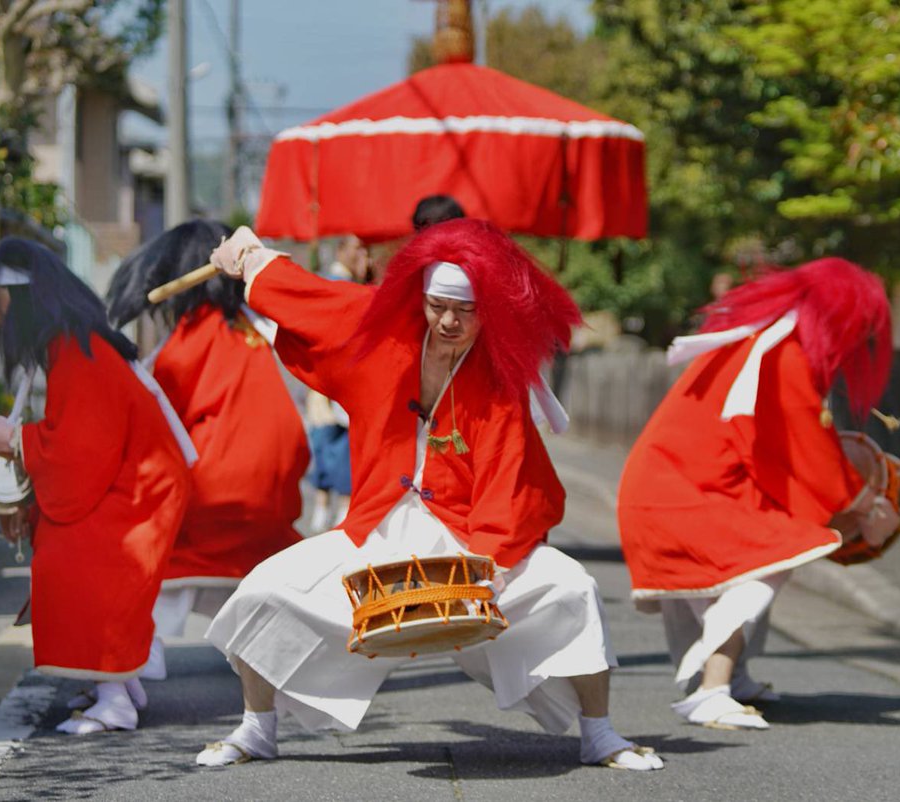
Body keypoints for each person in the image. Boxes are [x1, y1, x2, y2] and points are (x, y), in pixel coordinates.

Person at [194, 218, 665, 772]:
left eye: (464, 311)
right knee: (265, 590)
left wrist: (486, 571)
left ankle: (600, 734)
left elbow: (507, 475)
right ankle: (257, 728)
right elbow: (317, 302)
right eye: (437, 305)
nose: (447, 321)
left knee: (572, 588)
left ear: (488, 310)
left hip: (468, 534)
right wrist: (251, 257)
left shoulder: (498, 378)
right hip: (379, 527)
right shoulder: (381, 338)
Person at [617, 258, 899, 730]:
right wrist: (857, 502)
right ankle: (712, 689)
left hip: (676, 487)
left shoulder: (765, 343)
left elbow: (773, 443)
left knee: (725, 581)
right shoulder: (783, 352)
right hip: (687, 493)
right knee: (757, 573)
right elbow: (804, 443)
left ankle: (729, 677)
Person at [0, 237, 192, 734]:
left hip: (140, 492)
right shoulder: (72, 346)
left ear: (22, 302)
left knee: (71, 557)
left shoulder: (77, 352)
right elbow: (75, 452)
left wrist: (8, 437)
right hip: (138, 484)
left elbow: (76, 453)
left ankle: (115, 694)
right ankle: (117, 679)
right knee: (63, 545)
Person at [105, 220, 310, 681]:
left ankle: (134, 658)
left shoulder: (192, 336)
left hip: (214, 494)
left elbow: (155, 414)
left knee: (146, 550)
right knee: (243, 573)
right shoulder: (256, 329)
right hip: (275, 492)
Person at [305, 235, 368, 531]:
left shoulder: (344, 284)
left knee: (332, 449)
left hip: (332, 382)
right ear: (342, 250)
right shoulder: (341, 286)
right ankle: (327, 508)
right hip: (333, 381)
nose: (362, 255)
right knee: (333, 448)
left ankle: (329, 508)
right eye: (357, 249)